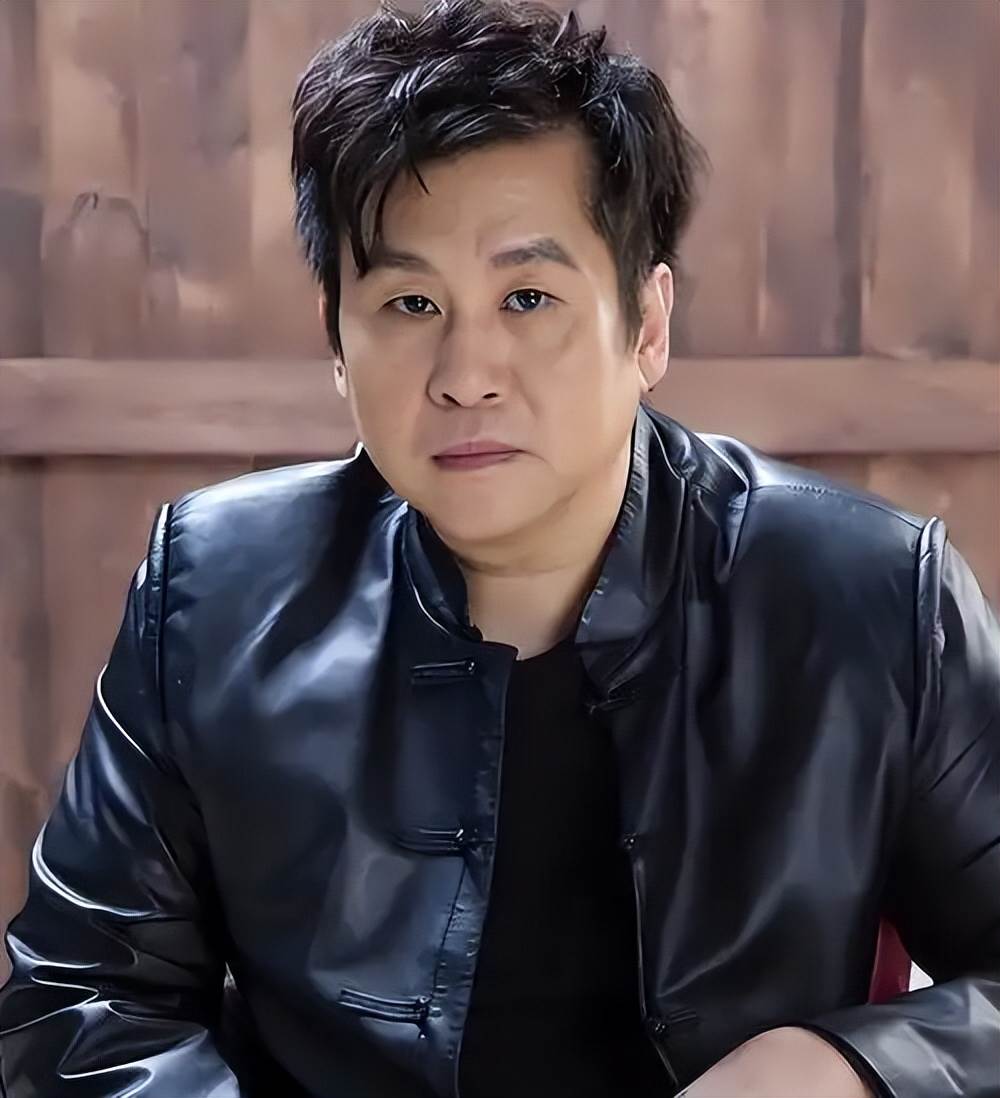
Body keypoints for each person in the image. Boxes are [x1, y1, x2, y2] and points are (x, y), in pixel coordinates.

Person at [2, 0, 998, 1095]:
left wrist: (844, 1064)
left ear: (647, 325)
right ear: (336, 338)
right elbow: (77, 1000)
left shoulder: (868, 594)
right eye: (409, 302)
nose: (465, 374)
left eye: (528, 297)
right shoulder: (213, 589)